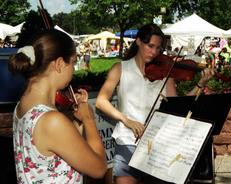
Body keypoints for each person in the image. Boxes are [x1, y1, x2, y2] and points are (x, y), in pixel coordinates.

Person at [95, 23, 214, 184]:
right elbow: (101, 101)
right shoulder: (121, 68)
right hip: (127, 141)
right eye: (150, 46)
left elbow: (177, 106)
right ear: (138, 42)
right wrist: (126, 120)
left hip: (158, 145)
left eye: (158, 48)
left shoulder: (166, 73)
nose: (154, 52)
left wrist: (200, 83)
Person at [8, 29, 107, 183]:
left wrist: (77, 123)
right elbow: (99, 169)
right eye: (73, 62)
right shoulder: (52, 121)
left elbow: (56, 147)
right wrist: (88, 119)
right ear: (60, 64)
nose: (73, 70)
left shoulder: (22, 106)